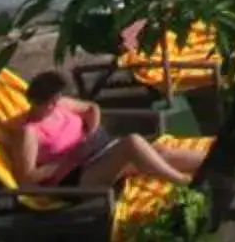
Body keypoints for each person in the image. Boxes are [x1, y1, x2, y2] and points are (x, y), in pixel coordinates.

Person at [12, 70, 200, 188]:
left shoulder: (61, 104)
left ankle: (214, 162)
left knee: (159, 152)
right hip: (76, 176)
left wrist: (91, 132)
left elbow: (91, 108)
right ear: (40, 102)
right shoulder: (30, 132)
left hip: (97, 152)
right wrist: (65, 161)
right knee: (132, 144)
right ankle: (183, 181)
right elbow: (26, 177)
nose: (57, 102)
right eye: (53, 101)